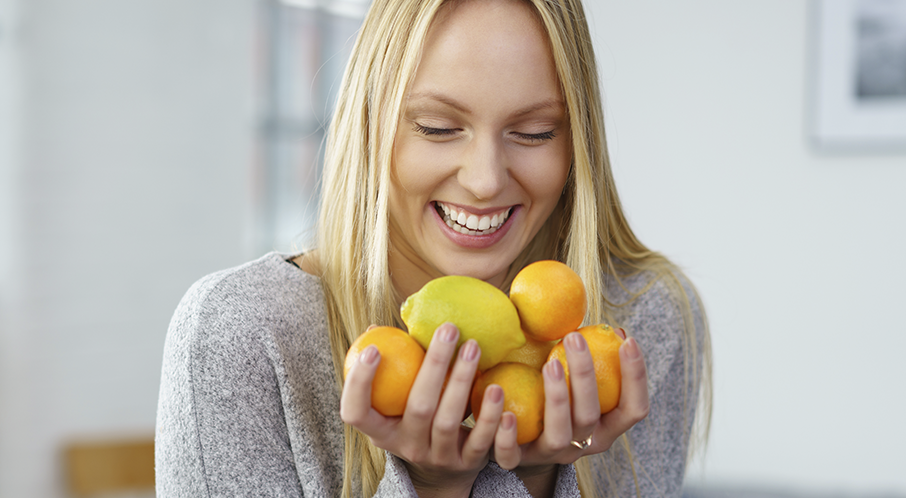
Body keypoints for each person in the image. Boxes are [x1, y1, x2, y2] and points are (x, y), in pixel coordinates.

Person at [155, 0, 711, 496]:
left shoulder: (642, 320)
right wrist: (432, 490)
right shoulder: (242, 334)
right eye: (438, 127)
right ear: (368, 123)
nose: (486, 180)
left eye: (536, 132)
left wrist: (541, 477)